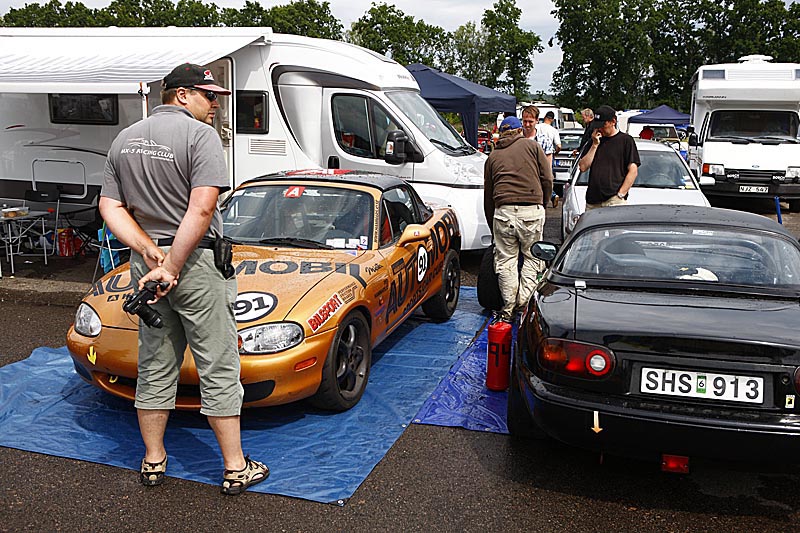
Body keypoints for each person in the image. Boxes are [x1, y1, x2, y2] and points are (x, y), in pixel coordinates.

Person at [99, 63, 269, 495]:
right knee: (218, 364)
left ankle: (154, 460)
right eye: (209, 96)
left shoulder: (124, 138)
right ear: (181, 95)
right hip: (192, 264)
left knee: (155, 362)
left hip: (147, 266)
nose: (216, 105)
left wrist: (146, 251)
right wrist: (172, 265)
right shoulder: (200, 137)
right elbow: (201, 210)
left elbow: (110, 208)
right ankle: (235, 467)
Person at [484, 116, 553, 323]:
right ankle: (523, 303)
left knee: (506, 262)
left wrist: (492, 223)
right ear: (519, 130)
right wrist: (544, 202)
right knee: (533, 258)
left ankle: (507, 309)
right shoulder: (532, 146)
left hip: (503, 213)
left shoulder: (493, 157)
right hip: (531, 210)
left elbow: (488, 195)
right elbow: (548, 178)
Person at [578, 105, 640, 210]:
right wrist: (594, 145)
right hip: (593, 200)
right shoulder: (593, 141)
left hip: (613, 199)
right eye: (597, 126)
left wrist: (620, 194)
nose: (600, 129)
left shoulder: (626, 141)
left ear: (613, 121)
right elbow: (583, 167)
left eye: (603, 125)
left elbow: (633, 170)